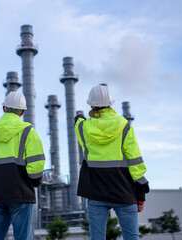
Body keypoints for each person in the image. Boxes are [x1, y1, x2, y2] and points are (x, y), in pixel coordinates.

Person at [74, 85, 149, 240]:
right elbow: (135, 160)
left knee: (97, 237)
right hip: (124, 191)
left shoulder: (83, 128)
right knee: (132, 237)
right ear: (110, 103)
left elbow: (78, 120)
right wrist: (141, 193)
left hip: (96, 193)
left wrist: (79, 117)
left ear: (91, 104)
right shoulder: (124, 125)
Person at [0, 91, 45, 240]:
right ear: (22, 111)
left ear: (4, 109)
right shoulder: (28, 132)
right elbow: (37, 164)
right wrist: (33, 182)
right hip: (21, 194)